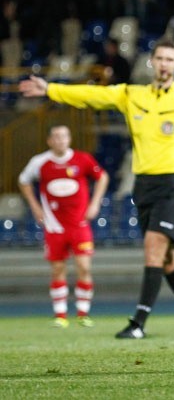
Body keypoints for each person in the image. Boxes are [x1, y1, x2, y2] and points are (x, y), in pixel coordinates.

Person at [20, 39, 174, 339]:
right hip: (143, 185)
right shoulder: (131, 95)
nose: (164, 63)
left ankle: (138, 322)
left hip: (173, 183)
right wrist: (50, 89)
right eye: (159, 58)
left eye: (169, 59)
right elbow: (91, 96)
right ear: (151, 62)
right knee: (166, 259)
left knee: (153, 248)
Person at [18, 125, 109, 328]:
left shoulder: (82, 159)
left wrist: (95, 203)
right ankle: (60, 315)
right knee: (58, 268)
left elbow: (102, 177)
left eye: (64, 136)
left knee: (84, 267)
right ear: (50, 140)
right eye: (56, 137)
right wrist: (35, 207)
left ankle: (83, 313)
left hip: (79, 224)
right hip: (54, 226)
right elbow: (23, 181)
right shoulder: (40, 162)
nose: (61, 140)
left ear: (69, 139)